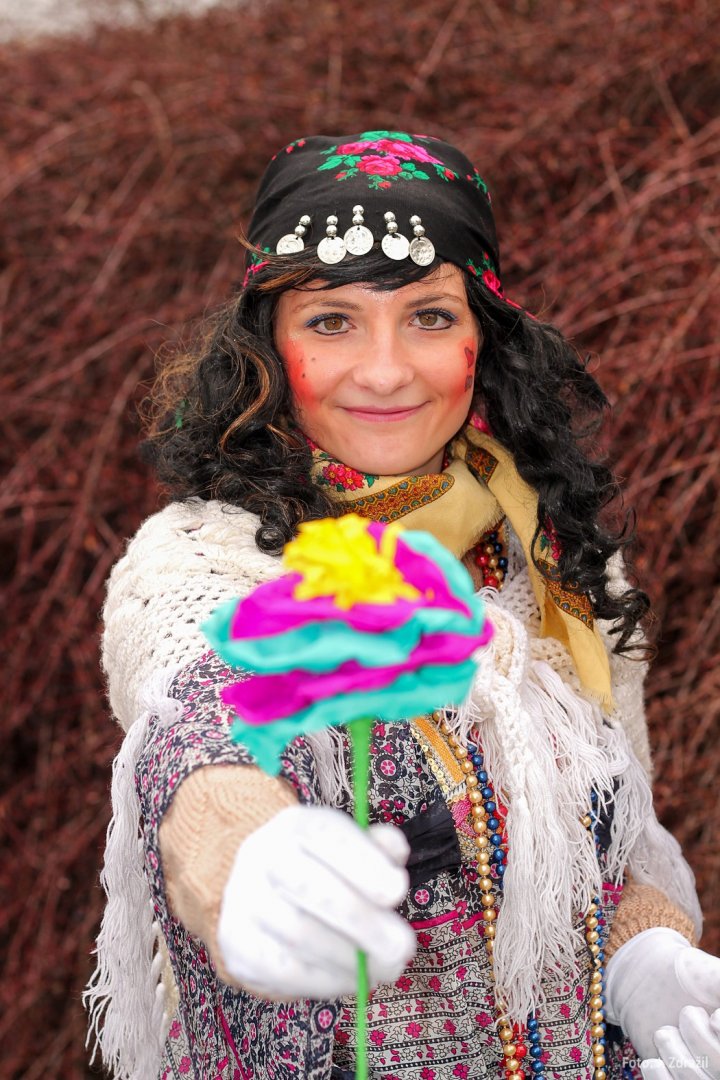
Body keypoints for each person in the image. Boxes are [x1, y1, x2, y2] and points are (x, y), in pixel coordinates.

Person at [86, 131, 720, 1080]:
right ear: (268, 347)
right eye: (331, 321)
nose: (384, 371)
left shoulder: (559, 564)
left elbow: (614, 843)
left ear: (484, 338)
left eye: (428, 316)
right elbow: (202, 736)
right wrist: (243, 856)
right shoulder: (201, 557)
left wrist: (645, 955)